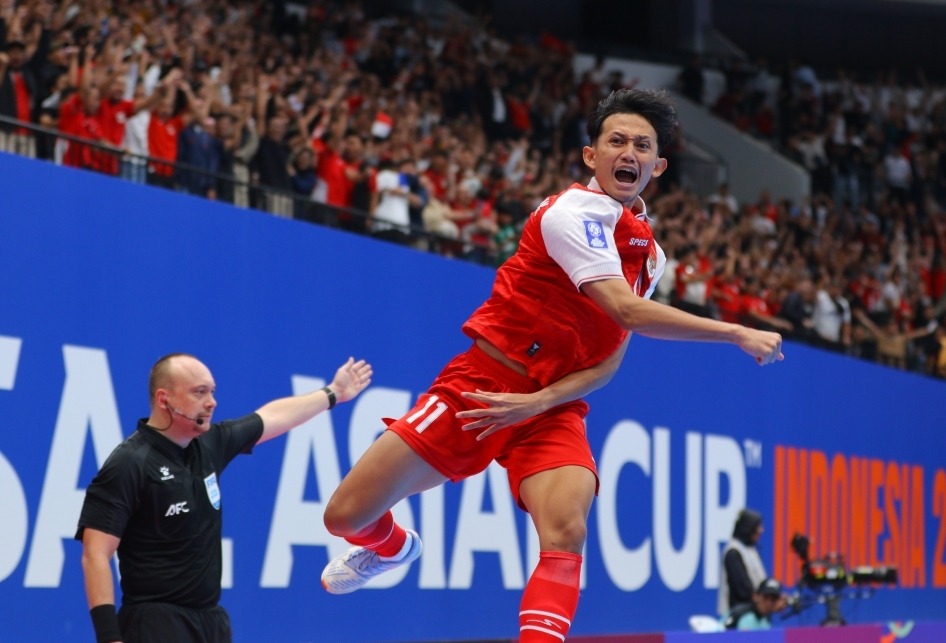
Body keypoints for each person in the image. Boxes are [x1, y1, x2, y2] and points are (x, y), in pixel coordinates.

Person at [319, 88, 783, 642]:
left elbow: (611, 356)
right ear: (592, 155)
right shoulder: (574, 212)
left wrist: (541, 402)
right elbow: (625, 310)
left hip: (551, 405)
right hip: (482, 388)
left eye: (642, 145)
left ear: (657, 165)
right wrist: (735, 330)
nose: (627, 152)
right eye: (616, 141)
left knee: (566, 530)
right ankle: (396, 548)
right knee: (344, 518)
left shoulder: (650, 254)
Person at [76, 353, 372, 643]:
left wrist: (333, 392)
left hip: (210, 622)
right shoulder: (130, 463)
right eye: (199, 392)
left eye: (212, 392)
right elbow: (95, 554)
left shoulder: (209, 444)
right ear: (164, 399)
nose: (212, 402)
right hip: (156, 623)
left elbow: (271, 417)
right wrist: (109, 638)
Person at [718, 508, 769, 616]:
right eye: (757, 527)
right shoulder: (733, 552)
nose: (761, 531)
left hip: (754, 617)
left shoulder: (751, 551)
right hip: (736, 619)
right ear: (748, 528)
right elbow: (742, 590)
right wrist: (764, 601)